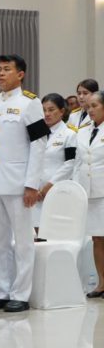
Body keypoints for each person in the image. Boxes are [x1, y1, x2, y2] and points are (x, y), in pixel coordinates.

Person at [0, 55, 48, 313]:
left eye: (7, 69)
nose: (1, 74)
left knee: (23, 242)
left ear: (20, 74)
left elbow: (39, 144)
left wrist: (31, 184)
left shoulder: (30, 103)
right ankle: (2, 290)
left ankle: (21, 293)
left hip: (19, 183)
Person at [74, 91, 104, 298]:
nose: (90, 109)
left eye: (95, 105)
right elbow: (78, 162)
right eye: (89, 106)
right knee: (97, 238)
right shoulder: (83, 131)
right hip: (90, 192)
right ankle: (101, 283)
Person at [34, 93, 76, 232]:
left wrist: (49, 186)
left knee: (54, 233)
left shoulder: (69, 134)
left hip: (57, 190)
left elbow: (70, 164)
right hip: (35, 191)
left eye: (51, 110)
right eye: (44, 110)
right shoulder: (36, 134)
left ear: (62, 111)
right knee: (37, 233)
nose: (47, 114)